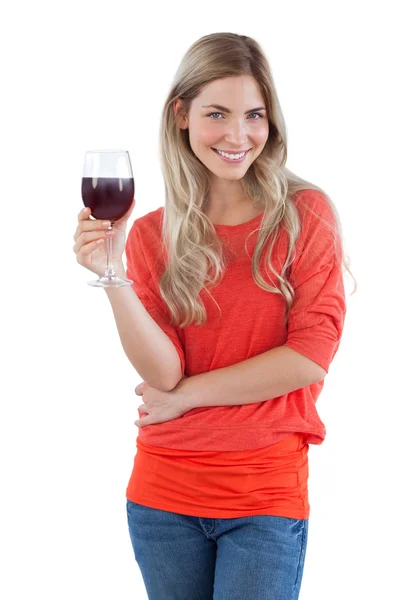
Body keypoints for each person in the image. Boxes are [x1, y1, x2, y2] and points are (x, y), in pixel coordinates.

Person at [73, 32, 355, 600]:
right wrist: (114, 276)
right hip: (162, 495)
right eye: (217, 114)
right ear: (181, 115)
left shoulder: (304, 215)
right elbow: (163, 375)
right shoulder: (152, 233)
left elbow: (309, 357)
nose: (238, 135)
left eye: (254, 115)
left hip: (263, 497)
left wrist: (188, 398)